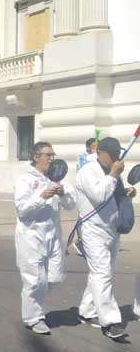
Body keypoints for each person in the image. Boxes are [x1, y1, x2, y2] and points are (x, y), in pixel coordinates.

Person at [75, 137, 135, 339]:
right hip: (93, 230)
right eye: (113, 154)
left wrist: (126, 191)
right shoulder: (87, 171)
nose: (117, 157)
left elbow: (112, 196)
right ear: (100, 153)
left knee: (102, 273)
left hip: (112, 229)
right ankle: (109, 321)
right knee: (102, 274)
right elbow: (99, 195)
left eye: (118, 153)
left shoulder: (111, 171)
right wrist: (113, 175)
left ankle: (86, 311)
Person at [13, 142, 76, 335]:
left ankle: (33, 302)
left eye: (53, 154)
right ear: (36, 157)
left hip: (53, 236)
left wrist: (63, 193)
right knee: (34, 280)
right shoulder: (25, 179)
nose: (51, 158)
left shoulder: (57, 178)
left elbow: (71, 205)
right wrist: (42, 196)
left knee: (55, 277)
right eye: (48, 155)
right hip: (31, 236)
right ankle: (34, 318)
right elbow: (22, 210)